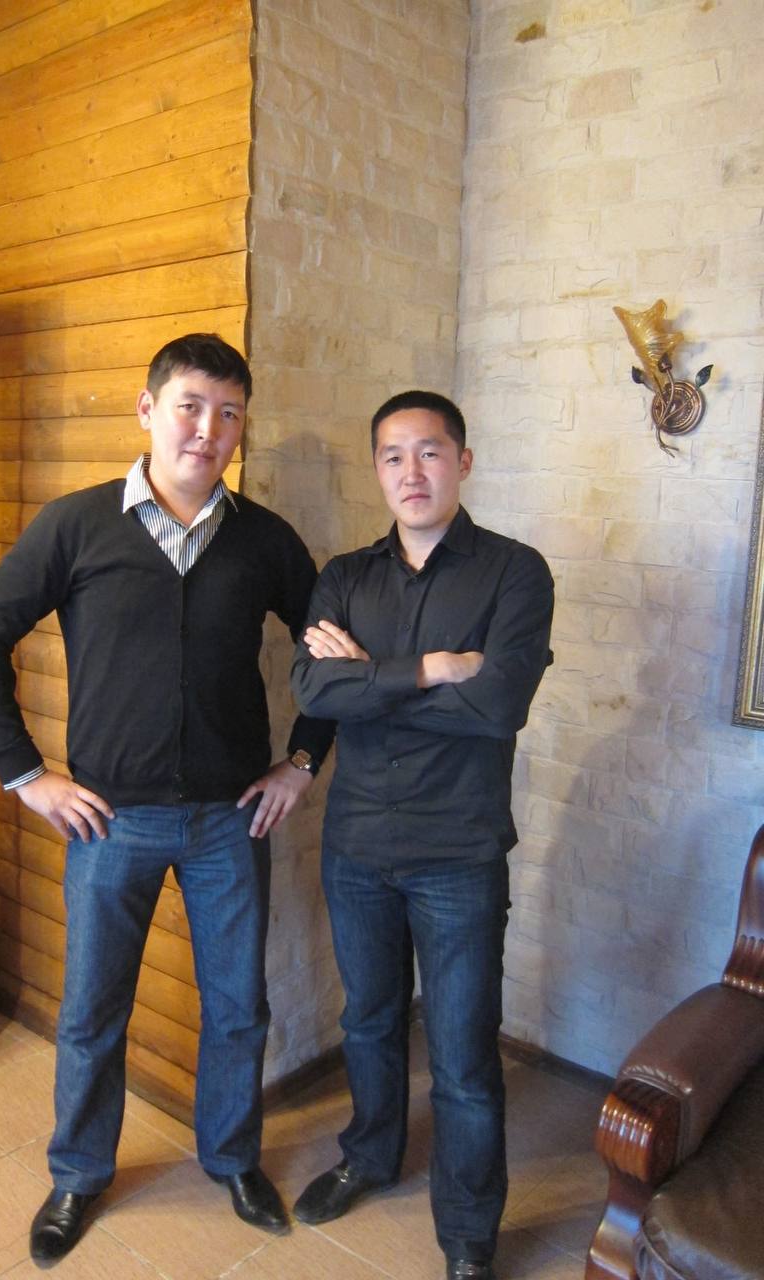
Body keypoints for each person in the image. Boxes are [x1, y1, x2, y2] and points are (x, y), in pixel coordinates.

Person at [0, 333, 333, 1266]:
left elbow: (332, 651)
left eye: (229, 413)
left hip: (230, 820)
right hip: (110, 822)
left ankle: (232, 1158)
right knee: (92, 1013)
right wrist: (27, 776)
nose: (208, 429)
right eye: (190, 406)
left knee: (238, 1008)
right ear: (148, 409)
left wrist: (302, 761)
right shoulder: (77, 525)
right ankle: (79, 1174)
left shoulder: (266, 539)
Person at [290, 390, 554, 1280]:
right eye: (393, 455)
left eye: (430, 452)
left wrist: (370, 682)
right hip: (357, 845)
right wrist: (435, 668)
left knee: (464, 1052)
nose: (412, 471)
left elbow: (499, 707)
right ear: (378, 470)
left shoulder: (515, 573)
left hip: (458, 854)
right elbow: (313, 691)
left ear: (463, 461)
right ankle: (370, 1156)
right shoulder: (344, 577)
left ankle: (469, 1231)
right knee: (367, 1022)